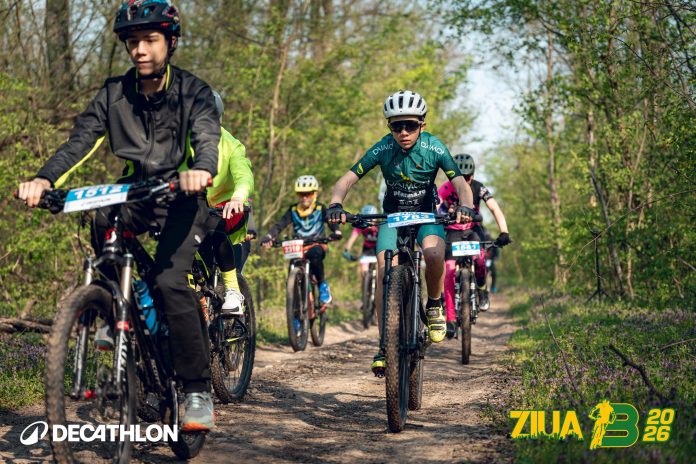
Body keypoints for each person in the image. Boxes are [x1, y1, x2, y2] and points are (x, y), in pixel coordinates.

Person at [17, 0, 219, 431]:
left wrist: (201, 170)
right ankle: (115, 309)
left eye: (150, 40)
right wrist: (44, 179)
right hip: (135, 195)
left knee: (169, 282)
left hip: (182, 198)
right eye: (133, 42)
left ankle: (197, 390)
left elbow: (207, 136)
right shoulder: (113, 94)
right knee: (100, 215)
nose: (140, 50)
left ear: (171, 42)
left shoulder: (194, 91)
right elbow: (79, 142)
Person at [327, 90, 475, 375]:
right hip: (392, 218)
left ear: (422, 124)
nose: (403, 132)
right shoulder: (383, 148)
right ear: (389, 127)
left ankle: (434, 304)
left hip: (426, 216)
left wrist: (466, 206)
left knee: (434, 254)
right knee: (384, 268)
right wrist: (335, 203)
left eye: (410, 125)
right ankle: (385, 344)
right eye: (397, 126)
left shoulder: (434, 147)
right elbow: (347, 180)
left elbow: (460, 183)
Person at [438, 153, 511, 338]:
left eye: (468, 177)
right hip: (453, 232)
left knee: (480, 260)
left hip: (473, 230)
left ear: (473, 175)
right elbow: (435, 206)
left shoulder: (479, 187)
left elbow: (494, 208)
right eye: (460, 177)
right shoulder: (445, 188)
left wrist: (504, 231)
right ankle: (450, 319)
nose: (465, 181)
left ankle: (482, 290)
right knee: (449, 270)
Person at [200, 90, 254, 315]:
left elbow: (244, 176)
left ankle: (233, 290)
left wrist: (238, 196)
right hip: (196, 208)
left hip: (227, 209)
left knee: (215, 227)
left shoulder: (232, 145)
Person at [261, 175, 342, 304]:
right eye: (301, 194)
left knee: (316, 255)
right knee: (292, 268)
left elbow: (330, 221)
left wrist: (336, 231)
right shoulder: (293, 210)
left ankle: (322, 285)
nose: (304, 197)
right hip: (298, 246)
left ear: (314, 194)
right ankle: (294, 306)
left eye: (308, 194)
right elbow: (280, 224)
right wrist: (269, 236)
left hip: (317, 243)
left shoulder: (320, 208)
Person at [342, 204, 379, 278]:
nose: (368, 222)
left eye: (371, 220)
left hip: (378, 248)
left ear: (375, 219)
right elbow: (352, 238)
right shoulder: (361, 226)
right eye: (366, 220)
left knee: (379, 270)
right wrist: (346, 250)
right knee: (364, 270)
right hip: (367, 249)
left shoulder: (380, 226)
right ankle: (365, 282)